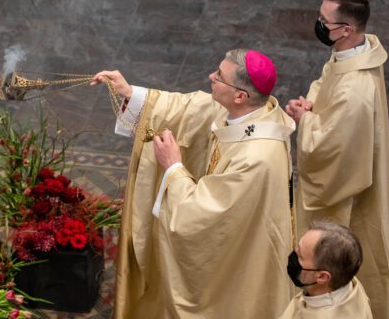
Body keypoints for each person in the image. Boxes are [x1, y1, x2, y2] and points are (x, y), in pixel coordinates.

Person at [91, 49, 296, 319]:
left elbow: (202, 215)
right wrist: (130, 92)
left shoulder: (257, 158)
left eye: (219, 76)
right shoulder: (252, 112)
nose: (211, 76)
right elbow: (188, 107)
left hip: (239, 256)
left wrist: (173, 167)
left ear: (240, 96)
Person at [285, 0, 389, 319]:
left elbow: (332, 152)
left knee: (337, 252)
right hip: (349, 141)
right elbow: (326, 83)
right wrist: (311, 104)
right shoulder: (357, 52)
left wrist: (305, 122)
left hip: (347, 193)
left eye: (325, 20)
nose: (319, 24)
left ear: (347, 28)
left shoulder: (356, 91)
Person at [280, 221, 373, 318]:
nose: (292, 256)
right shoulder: (346, 278)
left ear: (322, 277)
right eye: (297, 248)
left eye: (299, 256)